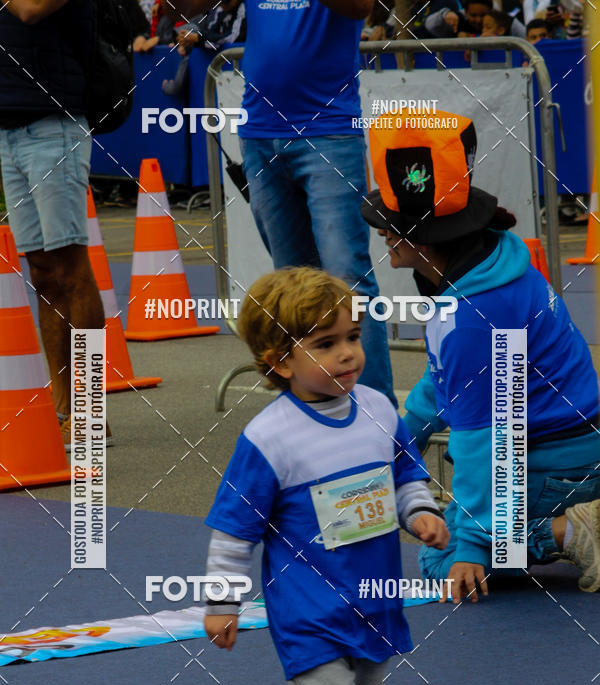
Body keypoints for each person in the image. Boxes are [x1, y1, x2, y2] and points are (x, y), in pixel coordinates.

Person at [202, 267, 449, 685]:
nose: (347, 354)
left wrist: (418, 511)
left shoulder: (377, 408)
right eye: (324, 343)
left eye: (353, 336)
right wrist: (222, 601)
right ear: (278, 362)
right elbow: (235, 532)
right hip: (307, 613)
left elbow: (404, 475)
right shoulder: (269, 438)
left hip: (374, 607)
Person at [360, 110, 600, 603]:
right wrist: (402, 447)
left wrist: (472, 542)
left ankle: (573, 529)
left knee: (441, 560)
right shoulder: (491, 264)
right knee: (460, 530)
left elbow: (490, 436)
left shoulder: (469, 314)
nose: (382, 233)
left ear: (423, 237)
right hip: (571, 449)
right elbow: (445, 380)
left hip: (552, 460)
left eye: (390, 225)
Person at [167, 0, 397, 407]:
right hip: (260, 130)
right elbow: (190, 6)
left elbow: (362, 7)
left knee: (349, 275)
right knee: (292, 281)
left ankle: (375, 415)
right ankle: (312, 403)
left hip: (328, 130)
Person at [0, 0, 111, 449]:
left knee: (70, 271)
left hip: (54, 126)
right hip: (9, 127)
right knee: (43, 275)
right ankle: (62, 403)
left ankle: (91, 412)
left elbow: (30, 9)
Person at [424, 0, 493, 36]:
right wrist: (444, 14)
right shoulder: (456, 22)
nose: (478, 20)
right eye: (473, 15)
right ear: (466, 12)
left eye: (483, 15)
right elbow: (429, 25)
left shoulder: (498, 22)